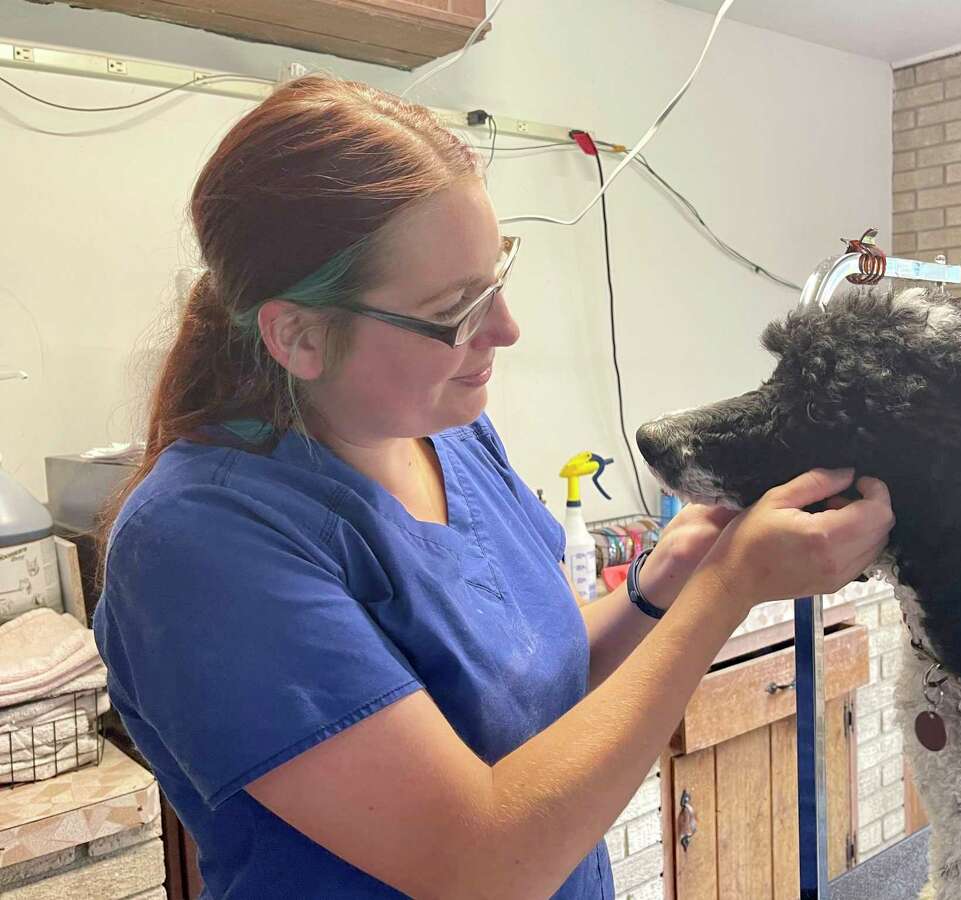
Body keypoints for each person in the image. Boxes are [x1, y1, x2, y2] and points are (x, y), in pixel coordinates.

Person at [95, 75, 895, 900]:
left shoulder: (452, 433)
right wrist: (728, 590)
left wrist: (663, 584)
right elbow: (479, 865)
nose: (508, 329)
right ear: (298, 334)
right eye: (458, 307)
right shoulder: (199, 544)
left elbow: (537, 685)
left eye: (497, 276)